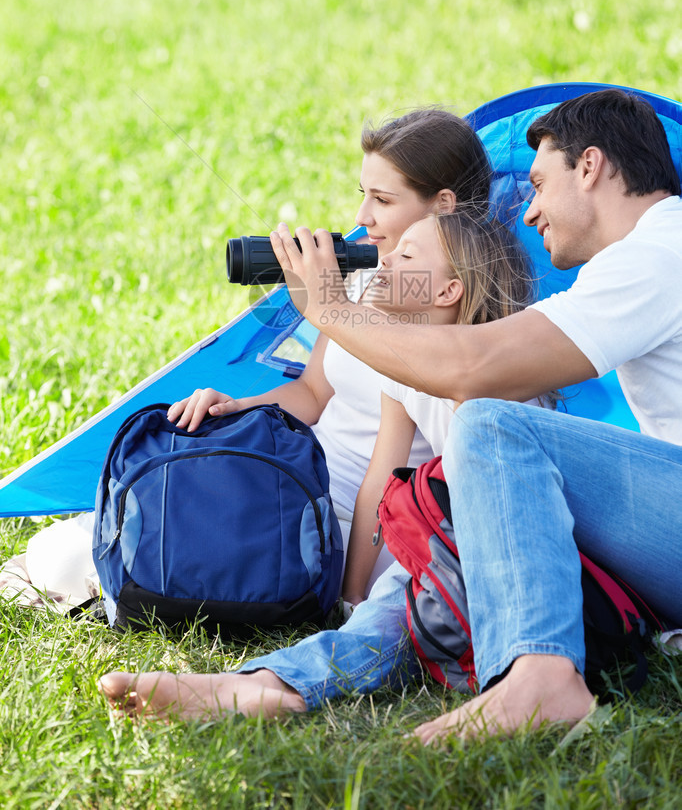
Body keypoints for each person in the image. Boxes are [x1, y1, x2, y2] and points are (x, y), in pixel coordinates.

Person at [258, 87, 682, 743]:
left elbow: (474, 368)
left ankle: (541, 680)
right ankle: (280, 681)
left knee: (489, 420)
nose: (532, 209)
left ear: (591, 167)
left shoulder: (658, 253)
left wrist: (330, 308)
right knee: (456, 530)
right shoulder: (652, 254)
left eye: (540, 183)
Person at [0, 107, 491, 610]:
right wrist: (241, 410)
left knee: (159, 543)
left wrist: (352, 594)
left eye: (382, 200)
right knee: (129, 516)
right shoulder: (363, 280)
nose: (362, 217)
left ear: (443, 206)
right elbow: (314, 392)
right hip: (295, 474)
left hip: (355, 526)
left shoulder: (465, 319)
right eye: (362, 194)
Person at [98, 208, 543, 720]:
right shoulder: (399, 368)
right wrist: (348, 596)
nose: (384, 263)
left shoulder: (502, 378)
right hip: (440, 547)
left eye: (405, 256)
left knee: (403, 603)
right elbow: (382, 483)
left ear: (447, 292)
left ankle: (257, 688)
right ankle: (271, 685)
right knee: (390, 600)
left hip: (506, 545)